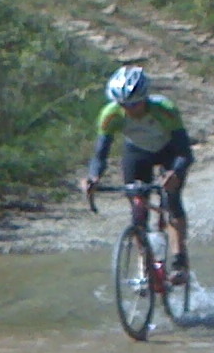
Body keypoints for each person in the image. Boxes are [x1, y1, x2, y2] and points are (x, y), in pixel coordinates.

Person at [79, 65, 194, 282]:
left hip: (170, 151)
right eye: (124, 105)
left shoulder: (164, 109)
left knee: (171, 201)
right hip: (137, 153)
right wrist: (93, 177)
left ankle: (179, 260)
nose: (129, 109)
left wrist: (175, 172)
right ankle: (145, 263)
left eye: (134, 104)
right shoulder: (110, 114)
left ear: (145, 97)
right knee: (138, 208)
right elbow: (100, 154)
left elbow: (185, 153)